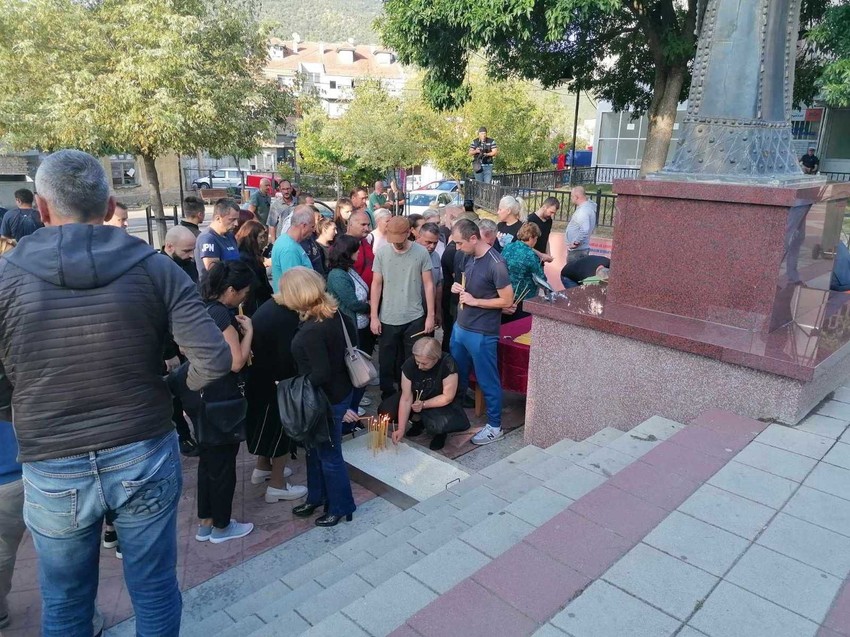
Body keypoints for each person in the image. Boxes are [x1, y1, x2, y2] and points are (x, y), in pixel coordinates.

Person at [0, 149, 232, 636]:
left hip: (51, 457)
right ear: (109, 206)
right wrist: (169, 389)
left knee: (65, 599)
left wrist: (19, 407)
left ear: (40, 209)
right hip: (142, 447)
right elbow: (213, 359)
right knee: (154, 586)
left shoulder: (6, 277)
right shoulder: (156, 269)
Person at [282, 268, 357, 527]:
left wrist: (292, 386)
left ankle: (340, 506)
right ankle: (317, 497)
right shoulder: (334, 313)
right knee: (315, 452)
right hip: (339, 392)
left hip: (326, 400)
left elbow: (321, 373)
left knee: (328, 455)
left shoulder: (313, 330)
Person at [192, 261, 256, 543]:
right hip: (222, 396)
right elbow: (236, 362)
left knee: (208, 462)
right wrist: (249, 333)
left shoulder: (199, 307)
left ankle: (205, 522)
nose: (244, 297)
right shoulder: (221, 315)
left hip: (202, 391)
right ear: (230, 290)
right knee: (223, 465)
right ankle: (222, 525)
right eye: (243, 292)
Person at [450, 219, 513, 445]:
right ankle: (454, 415)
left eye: (460, 243)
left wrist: (475, 301)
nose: (458, 248)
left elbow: (507, 301)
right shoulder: (467, 256)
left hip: (482, 332)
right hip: (461, 326)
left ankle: (495, 426)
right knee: (456, 374)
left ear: (474, 238)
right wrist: (456, 287)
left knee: (487, 379)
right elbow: (466, 286)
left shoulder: (496, 263)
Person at [245, 279, 308, 503]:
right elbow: (285, 359)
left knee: (265, 428)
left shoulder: (272, 306)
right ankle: (277, 485)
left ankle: (263, 467)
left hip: (257, 380)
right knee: (281, 432)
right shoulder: (285, 317)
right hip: (274, 384)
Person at [372, 216, 436, 399]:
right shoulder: (382, 253)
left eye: (400, 239)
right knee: (386, 360)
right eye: (393, 239)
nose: (397, 244)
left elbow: (429, 284)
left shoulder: (421, 253)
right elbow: (376, 284)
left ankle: (409, 394)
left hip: (414, 316)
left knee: (412, 359)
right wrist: (374, 316)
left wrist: (430, 315)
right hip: (388, 316)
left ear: (409, 233)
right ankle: (388, 395)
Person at [382, 337, 470, 451]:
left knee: (440, 425)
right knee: (386, 411)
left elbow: (447, 397)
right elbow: (406, 398)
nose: (419, 366)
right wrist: (401, 428)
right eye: (417, 362)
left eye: (424, 363)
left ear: (436, 358)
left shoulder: (447, 364)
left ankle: (440, 434)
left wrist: (423, 404)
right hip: (417, 397)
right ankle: (418, 422)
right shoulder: (409, 364)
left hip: (439, 400)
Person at [326, 235, 373, 427]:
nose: (359, 253)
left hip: (358, 326)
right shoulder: (337, 275)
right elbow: (352, 302)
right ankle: (348, 417)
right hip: (348, 328)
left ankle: (352, 412)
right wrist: (370, 306)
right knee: (355, 373)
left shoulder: (348, 270)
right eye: (356, 250)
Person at [501, 222, 545, 322]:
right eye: (536, 238)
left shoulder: (508, 247)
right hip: (523, 297)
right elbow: (540, 278)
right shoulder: (530, 255)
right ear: (532, 238)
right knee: (520, 326)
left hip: (505, 292)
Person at [195, 198, 240, 286]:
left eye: (237, 219)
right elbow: (214, 272)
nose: (236, 224)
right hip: (216, 290)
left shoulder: (230, 236)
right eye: (232, 219)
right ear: (218, 218)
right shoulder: (208, 239)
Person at [271, 206, 315, 290]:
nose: (313, 230)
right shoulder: (289, 249)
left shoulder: (286, 240)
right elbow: (294, 286)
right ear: (304, 225)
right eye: (312, 226)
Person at [236, 219, 274, 314]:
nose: (263, 240)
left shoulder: (250, 254)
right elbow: (255, 284)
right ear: (251, 238)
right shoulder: (245, 258)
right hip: (255, 303)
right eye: (260, 237)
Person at [417, 222, 444, 327]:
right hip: (413, 313)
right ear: (419, 236)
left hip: (429, 311)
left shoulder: (436, 256)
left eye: (435, 243)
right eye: (428, 242)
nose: (432, 246)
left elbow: (438, 285)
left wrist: (438, 311)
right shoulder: (410, 254)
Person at [566, 186, 597, 264]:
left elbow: (585, 229)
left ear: (577, 197)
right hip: (579, 250)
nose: (571, 198)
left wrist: (576, 243)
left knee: (572, 271)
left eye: (572, 196)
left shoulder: (583, 211)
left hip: (577, 251)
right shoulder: (587, 208)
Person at [347, 210, 375, 290]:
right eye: (363, 224)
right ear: (351, 224)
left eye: (368, 225)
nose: (367, 228)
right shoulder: (342, 246)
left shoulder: (365, 242)